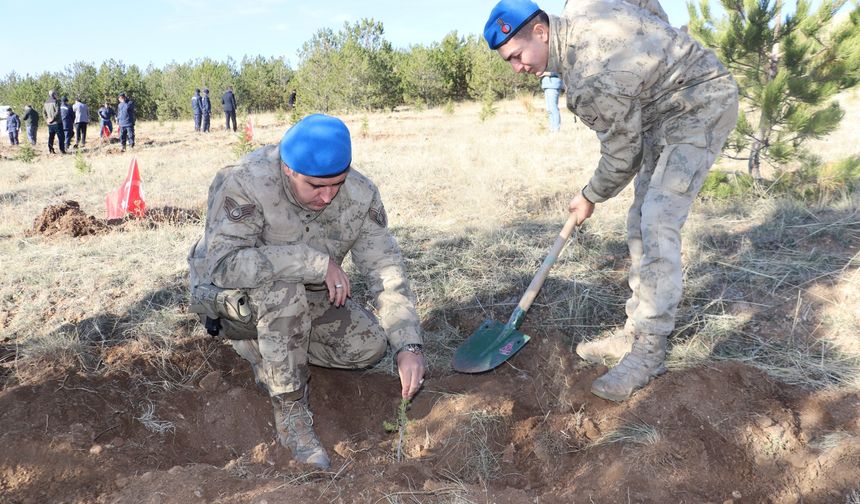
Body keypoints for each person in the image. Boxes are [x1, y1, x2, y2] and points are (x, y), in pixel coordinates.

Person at [483, 0, 739, 401]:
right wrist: (659, 44)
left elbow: (623, 156)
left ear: (540, 31)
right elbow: (645, 5)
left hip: (700, 100)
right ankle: (634, 330)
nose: (518, 69)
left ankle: (649, 352)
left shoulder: (590, 79)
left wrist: (589, 195)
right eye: (508, 62)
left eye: (516, 56)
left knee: (657, 220)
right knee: (639, 217)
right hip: (660, 106)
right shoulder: (584, 5)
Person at [188, 114, 425, 469]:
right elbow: (221, 265)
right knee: (284, 292)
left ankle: (279, 349)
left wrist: (408, 344)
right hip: (237, 298)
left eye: (336, 184)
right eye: (315, 186)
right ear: (287, 169)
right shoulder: (247, 182)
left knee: (367, 346)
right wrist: (312, 263)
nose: (327, 197)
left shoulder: (360, 194)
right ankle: (291, 411)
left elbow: (385, 270)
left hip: (305, 297)